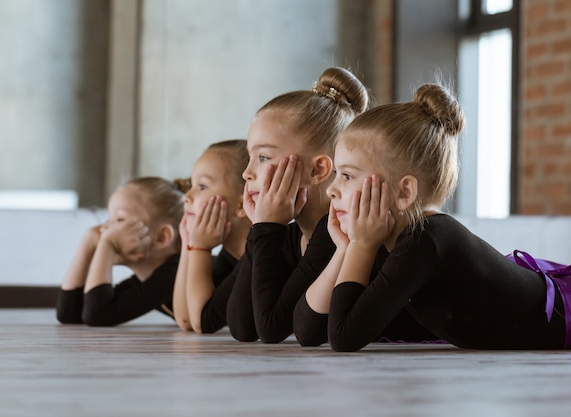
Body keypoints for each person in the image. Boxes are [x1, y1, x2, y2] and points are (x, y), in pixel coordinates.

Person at [308, 82, 570, 351]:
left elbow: (343, 337)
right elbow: (311, 330)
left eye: (348, 176)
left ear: (404, 192)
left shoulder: (426, 239)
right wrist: (346, 248)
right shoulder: (392, 238)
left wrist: (359, 246)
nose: (331, 189)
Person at [223, 67, 371, 343]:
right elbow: (242, 326)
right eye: (250, 157)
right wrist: (260, 228)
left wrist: (266, 228)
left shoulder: (337, 235)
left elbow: (272, 328)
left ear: (317, 171)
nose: (247, 173)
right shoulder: (290, 236)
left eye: (263, 157)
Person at [56, 177, 185, 326]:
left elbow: (98, 314)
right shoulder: (148, 279)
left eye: (120, 220)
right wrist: (88, 240)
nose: (106, 229)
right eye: (108, 220)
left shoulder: (176, 273)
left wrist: (108, 243)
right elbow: (70, 313)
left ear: (161, 237)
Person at [172, 139, 251, 333]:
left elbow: (203, 322)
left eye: (202, 187)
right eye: (191, 184)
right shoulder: (230, 255)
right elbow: (185, 320)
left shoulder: (257, 254)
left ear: (242, 204)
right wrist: (188, 244)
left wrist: (200, 248)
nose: (187, 196)